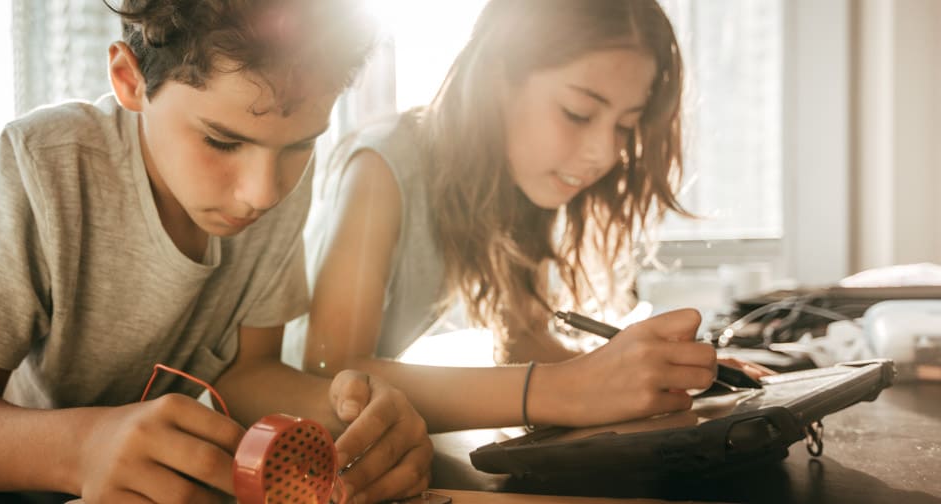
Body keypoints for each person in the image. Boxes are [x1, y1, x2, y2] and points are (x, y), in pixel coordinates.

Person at [0, 1, 432, 502]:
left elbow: (246, 372)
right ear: (130, 80)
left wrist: (348, 415)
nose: (262, 193)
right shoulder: (47, 166)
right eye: (222, 141)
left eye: (300, 145)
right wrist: (85, 447)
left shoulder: (274, 186)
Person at [296, 0, 748, 433]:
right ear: (497, 77)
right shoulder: (383, 165)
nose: (605, 153)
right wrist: (564, 391)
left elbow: (523, 343)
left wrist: (651, 373)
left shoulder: (513, 183)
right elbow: (332, 372)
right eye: (578, 113)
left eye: (625, 126)